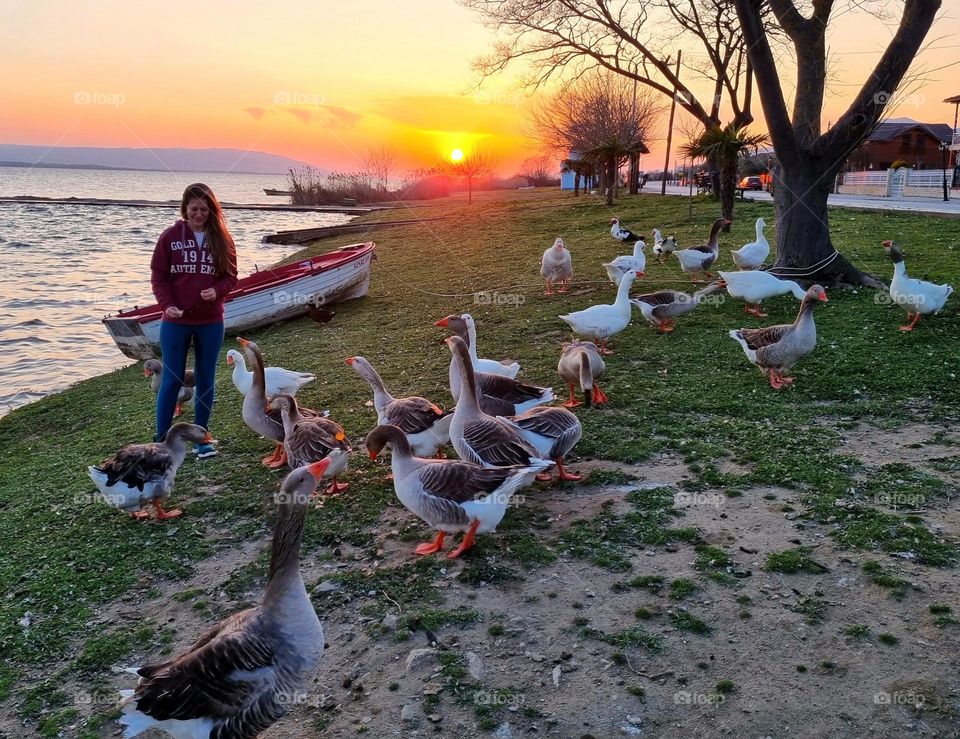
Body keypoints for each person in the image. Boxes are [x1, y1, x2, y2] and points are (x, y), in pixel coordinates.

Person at [150, 183, 238, 457]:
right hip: (175, 321)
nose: (199, 214)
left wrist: (218, 290)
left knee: (205, 378)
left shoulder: (221, 239)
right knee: (171, 380)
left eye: (204, 209)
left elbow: (231, 276)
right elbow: (159, 276)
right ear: (185, 209)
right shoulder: (170, 237)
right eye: (194, 209)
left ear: (212, 210)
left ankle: (202, 438)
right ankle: (162, 440)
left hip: (210, 321)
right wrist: (167, 305)